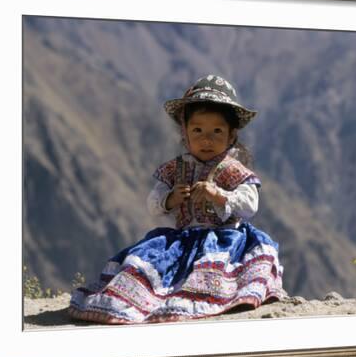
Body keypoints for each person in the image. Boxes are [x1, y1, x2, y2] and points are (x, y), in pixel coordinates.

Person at [68, 75, 286, 324]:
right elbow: (153, 203)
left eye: (217, 131)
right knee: (143, 272)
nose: (207, 139)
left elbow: (250, 204)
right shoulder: (174, 170)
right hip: (180, 241)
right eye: (198, 130)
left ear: (231, 135)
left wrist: (220, 195)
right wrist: (170, 200)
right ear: (185, 133)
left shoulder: (234, 170)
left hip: (225, 239)